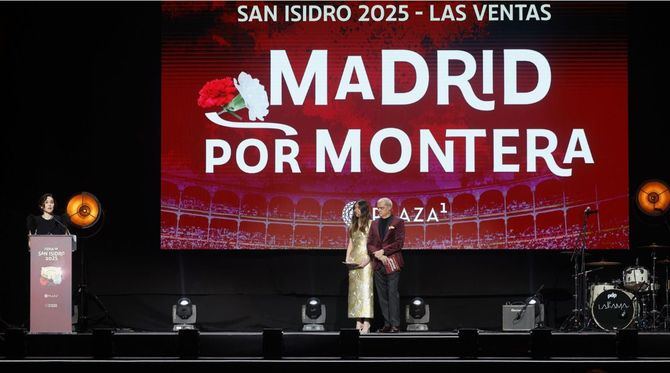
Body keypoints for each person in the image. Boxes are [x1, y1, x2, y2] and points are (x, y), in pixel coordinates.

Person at [367, 197, 405, 333]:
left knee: (392, 293)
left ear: (389, 207)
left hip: (392, 262)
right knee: (382, 296)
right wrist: (377, 254)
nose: (379, 210)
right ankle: (387, 324)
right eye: (378, 207)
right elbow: (369, 243)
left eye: (381, 208)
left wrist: (383, 251)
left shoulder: (398, 222)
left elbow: (399, 243)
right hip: (378, 263)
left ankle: (395, 325)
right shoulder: (375, 223)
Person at [345, 200, 373, 333]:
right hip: (354, 260)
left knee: (366, 291)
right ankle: (358, 321)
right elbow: (350, 243)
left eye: (358, 208)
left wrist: (368, 259)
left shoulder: (371, 224)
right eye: (355, 208)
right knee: (355, 292)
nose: (356, 210)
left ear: (364, 209)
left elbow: (374, 244)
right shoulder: (352, 226)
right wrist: (347, 258)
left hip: (366, 260)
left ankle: (366, 322)